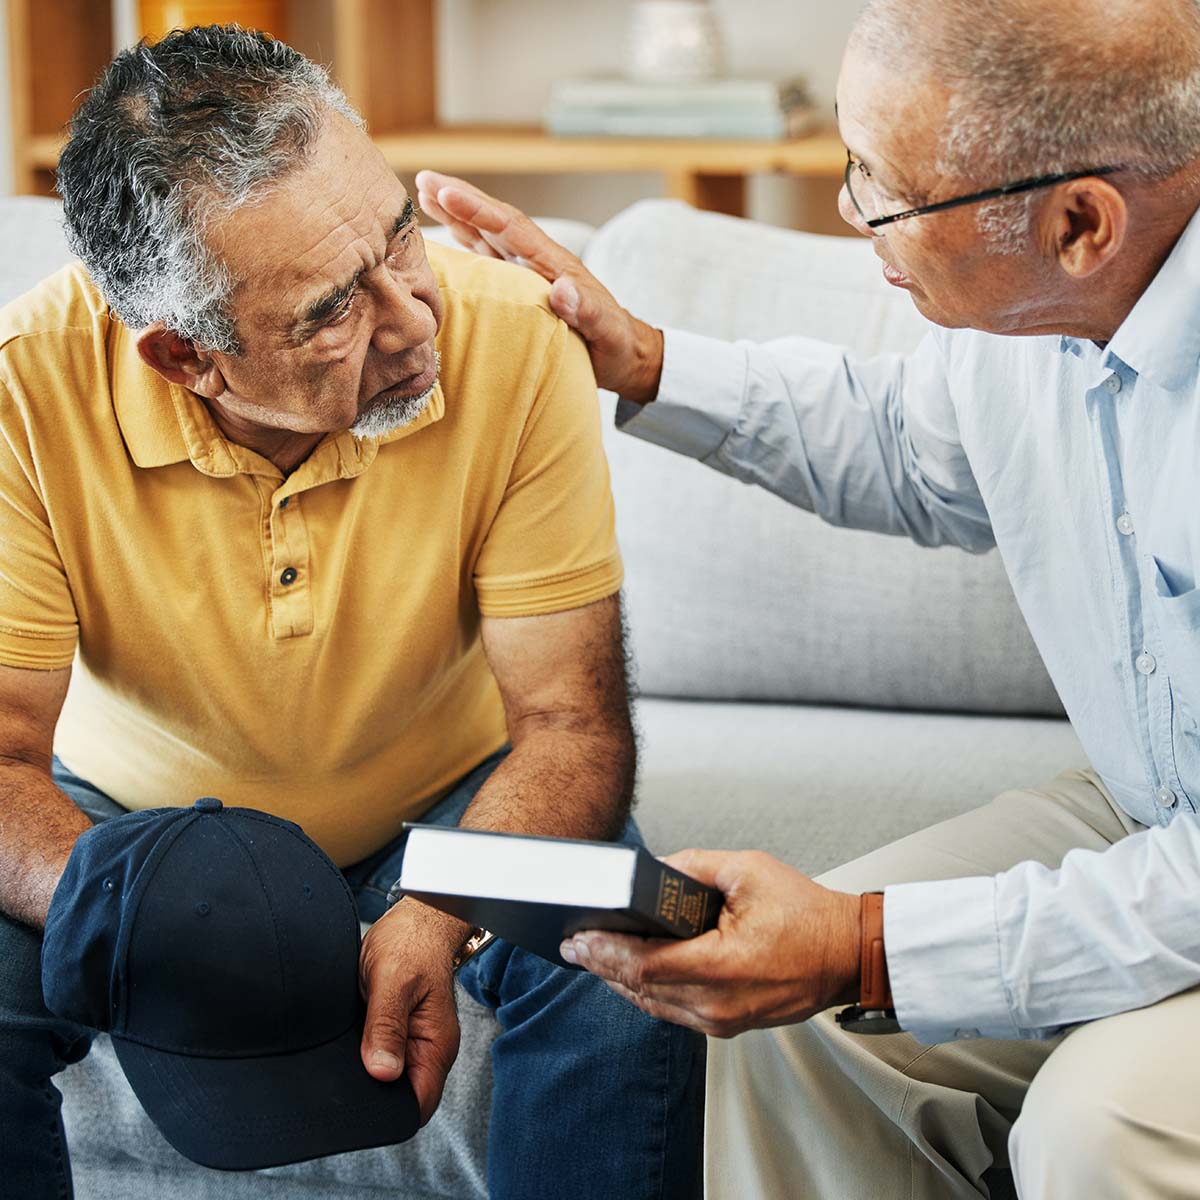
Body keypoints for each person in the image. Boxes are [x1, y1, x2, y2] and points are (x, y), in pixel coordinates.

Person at [416, 0, 1200, 1196]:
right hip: (1146, 804)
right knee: (776, 1010)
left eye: (885, 187)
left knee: (1100, 1129)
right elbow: (920, 450)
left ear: (1080, 224)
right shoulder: (1034, 311)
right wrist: (642, 358)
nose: (849, 210)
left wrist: (866, 946)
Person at [0, 26, 703, 1200]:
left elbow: (571, 727)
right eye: (331, 311)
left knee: (639, 950)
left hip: (447, 806)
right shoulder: (23, 386)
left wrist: (440, 907)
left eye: (400, 237)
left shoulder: (515, 337)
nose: (416, 320)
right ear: (186, 358)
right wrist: (149, 912)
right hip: (139, 822)